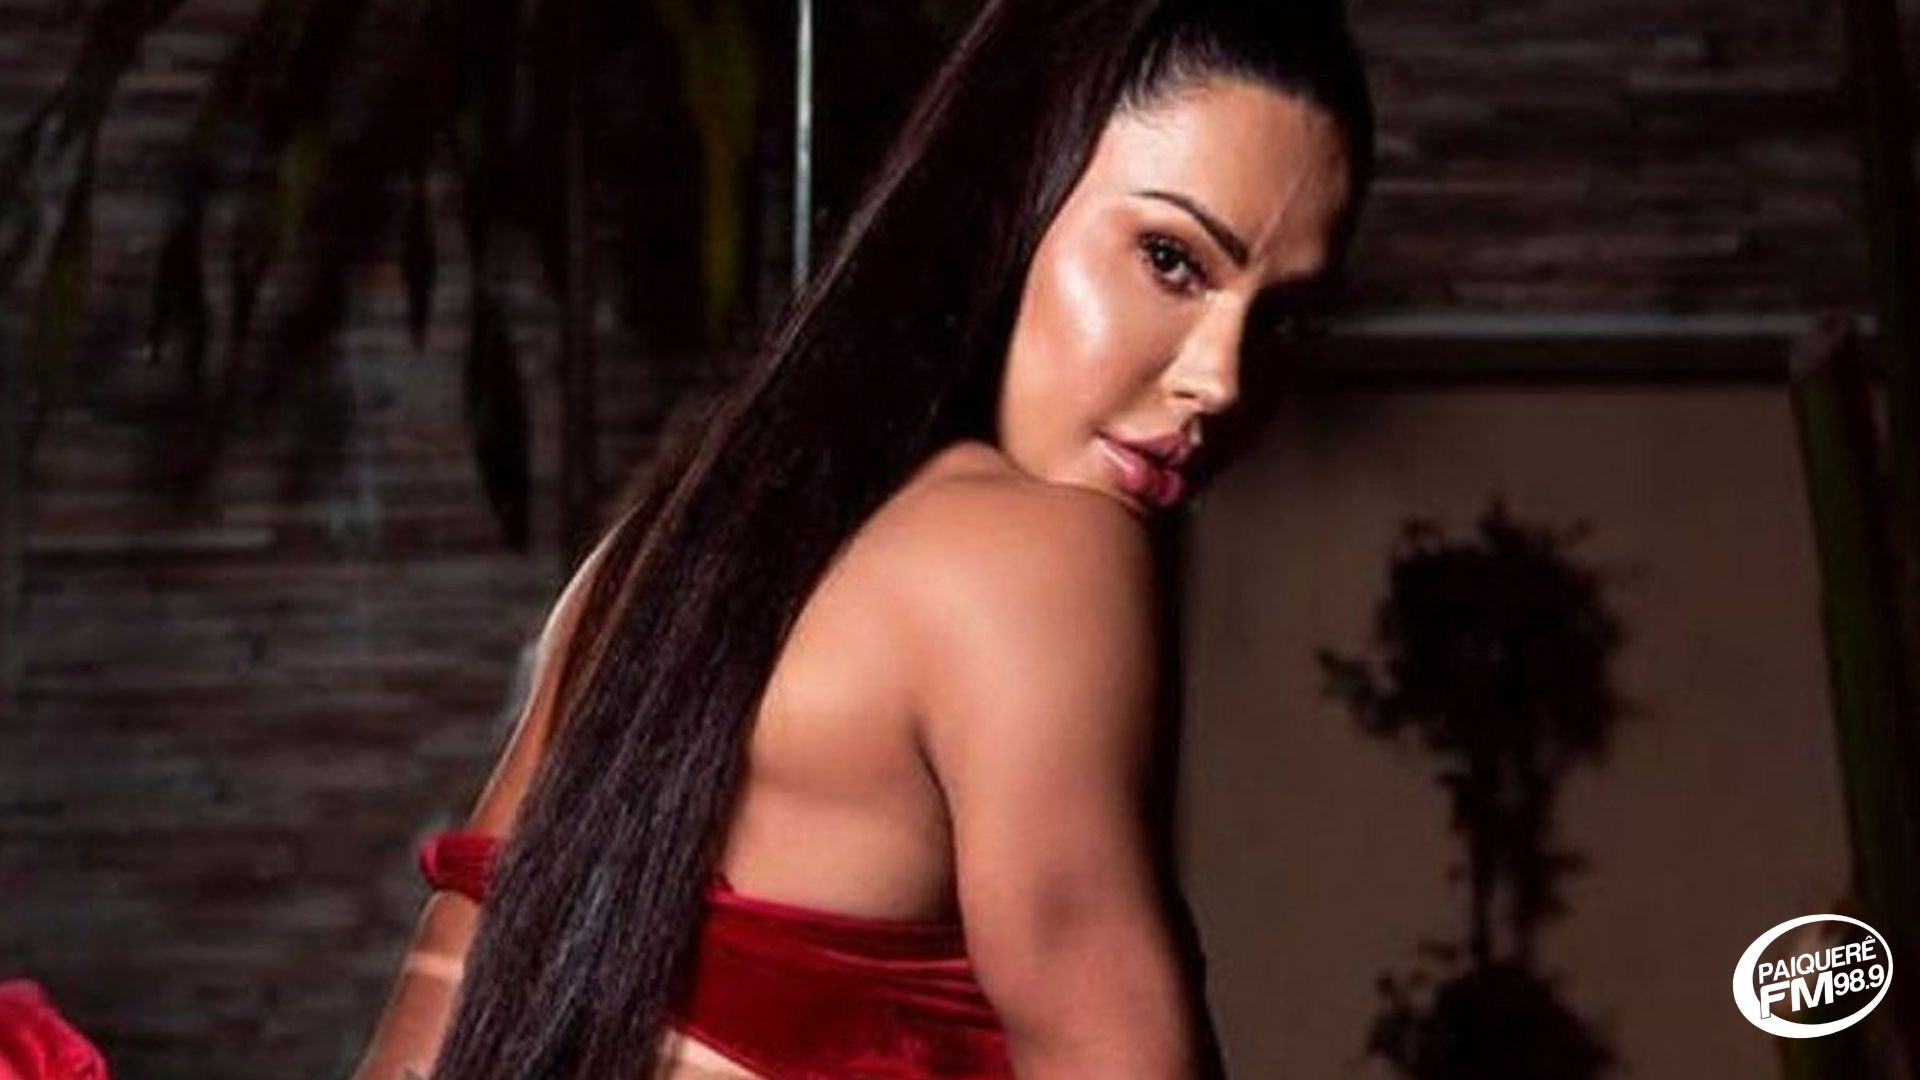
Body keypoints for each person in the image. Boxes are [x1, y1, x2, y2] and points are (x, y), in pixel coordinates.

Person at [350, 0, 1374, 1077]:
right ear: (1013, 186)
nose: (1222, 376)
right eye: (1170, 260)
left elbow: (433, 1018)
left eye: (1282, 317)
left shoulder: (661, 553)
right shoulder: (1038, 561)